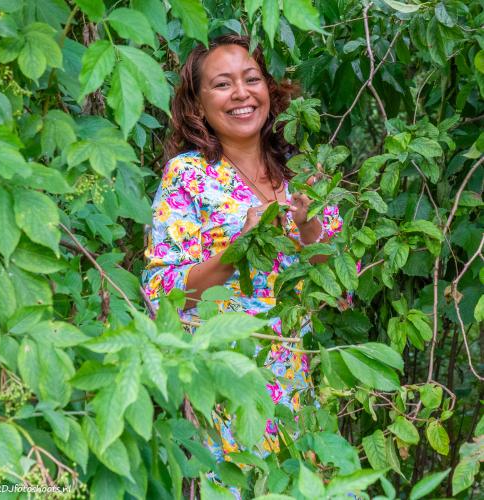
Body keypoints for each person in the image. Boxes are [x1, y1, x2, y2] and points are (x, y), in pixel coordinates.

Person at [142, 35, 343, 462]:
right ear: (197, 105)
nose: (241, 94)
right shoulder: (189, 176)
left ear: (268, 89)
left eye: (251, 79)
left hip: (294, 391)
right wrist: (238, 252)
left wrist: (309, 232)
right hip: (216, 386)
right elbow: (161, 290)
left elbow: (343, 289)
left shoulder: (305, 173)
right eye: (222, 84)